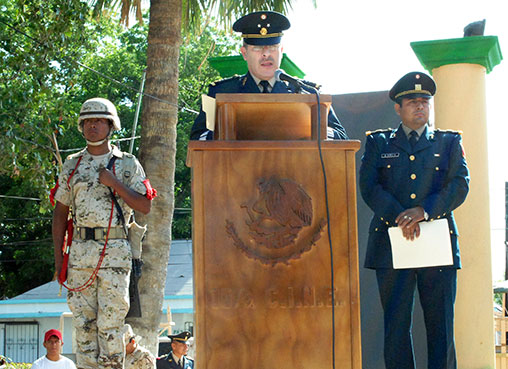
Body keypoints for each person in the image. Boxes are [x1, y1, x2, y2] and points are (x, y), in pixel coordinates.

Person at [359, 72, 470, 369]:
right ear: (398, 108)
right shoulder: (379, 143)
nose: (420, 106)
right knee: (396, 327)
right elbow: (369, 186)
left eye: (425, 101)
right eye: (412, 101)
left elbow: (459, 184)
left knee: (441, 327)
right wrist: (399, 215)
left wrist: (424, 211)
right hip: (392, 244)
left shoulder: (448, 143)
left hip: (437, 246)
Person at [52, 97, 156, 369]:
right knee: (83, 326)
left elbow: (145, 204)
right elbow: (60, 214)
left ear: (111, 125)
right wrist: (59, 261)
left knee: (111, 326)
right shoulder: (71, 166)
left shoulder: (127, 164)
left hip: (114, 254)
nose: (92, 126)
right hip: (79, 255)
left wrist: (114, 183)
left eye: (98, 120)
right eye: (87, 121)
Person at [190, 11, 348, 141]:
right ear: (244, 53)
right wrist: (225, 131)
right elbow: (197, 141)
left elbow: (342, 138)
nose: (266, 54)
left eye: (272, 47)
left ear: (281, 51)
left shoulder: (307, 93)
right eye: (257, 48)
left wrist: (312, 128)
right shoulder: (219, 93)